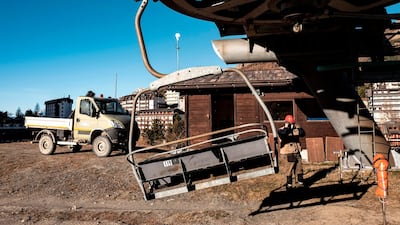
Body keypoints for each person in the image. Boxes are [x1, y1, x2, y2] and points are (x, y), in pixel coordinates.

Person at [278, 114, 305, 188]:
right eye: (291, 123)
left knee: (299, 169)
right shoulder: (281, 130)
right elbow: (283, 134)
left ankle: (300, 184)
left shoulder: (296, 128)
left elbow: (302, 132)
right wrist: (287, 127)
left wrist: (294, 128)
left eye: (293, 123)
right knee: (289, 170)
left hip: (296, 152)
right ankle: (289, 185)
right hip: (288, 153)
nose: (292, 125)